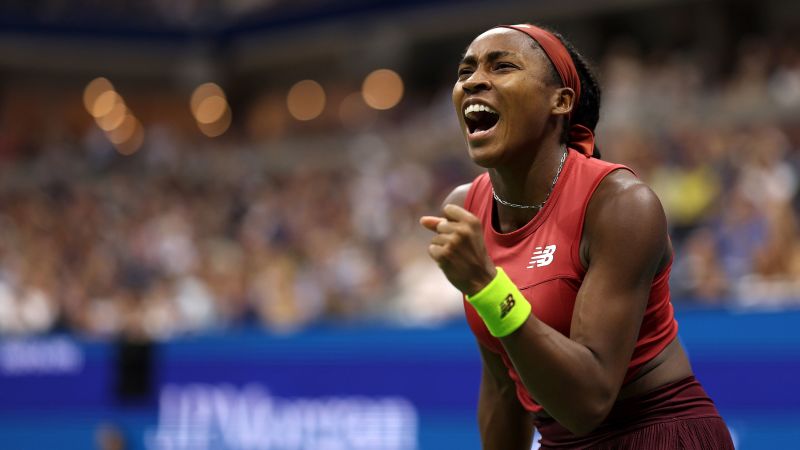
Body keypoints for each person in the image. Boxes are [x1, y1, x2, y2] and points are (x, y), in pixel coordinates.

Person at [420, 24, 734, 449]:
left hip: (654, 434)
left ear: (561, 101)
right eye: (466, 71)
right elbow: (501, 386)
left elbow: (588, 403)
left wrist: (487, 287)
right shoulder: (467, 206)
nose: (474, 80)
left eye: (503, 66)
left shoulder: (621, 204)